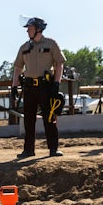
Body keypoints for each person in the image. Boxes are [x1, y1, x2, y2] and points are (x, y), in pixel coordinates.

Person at [11, 17, 66, 158]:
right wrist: (14, 87)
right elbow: (18, 67)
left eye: (30, 28)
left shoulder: (51, 44)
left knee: (49, 118)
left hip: (45, 87)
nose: (27, 31)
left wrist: (56, 83)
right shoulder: (24, 47)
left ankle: (53, 149)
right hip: (29, 88)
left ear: (38, 29)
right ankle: (28, 150)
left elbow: (59, 64)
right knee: (29, 120)